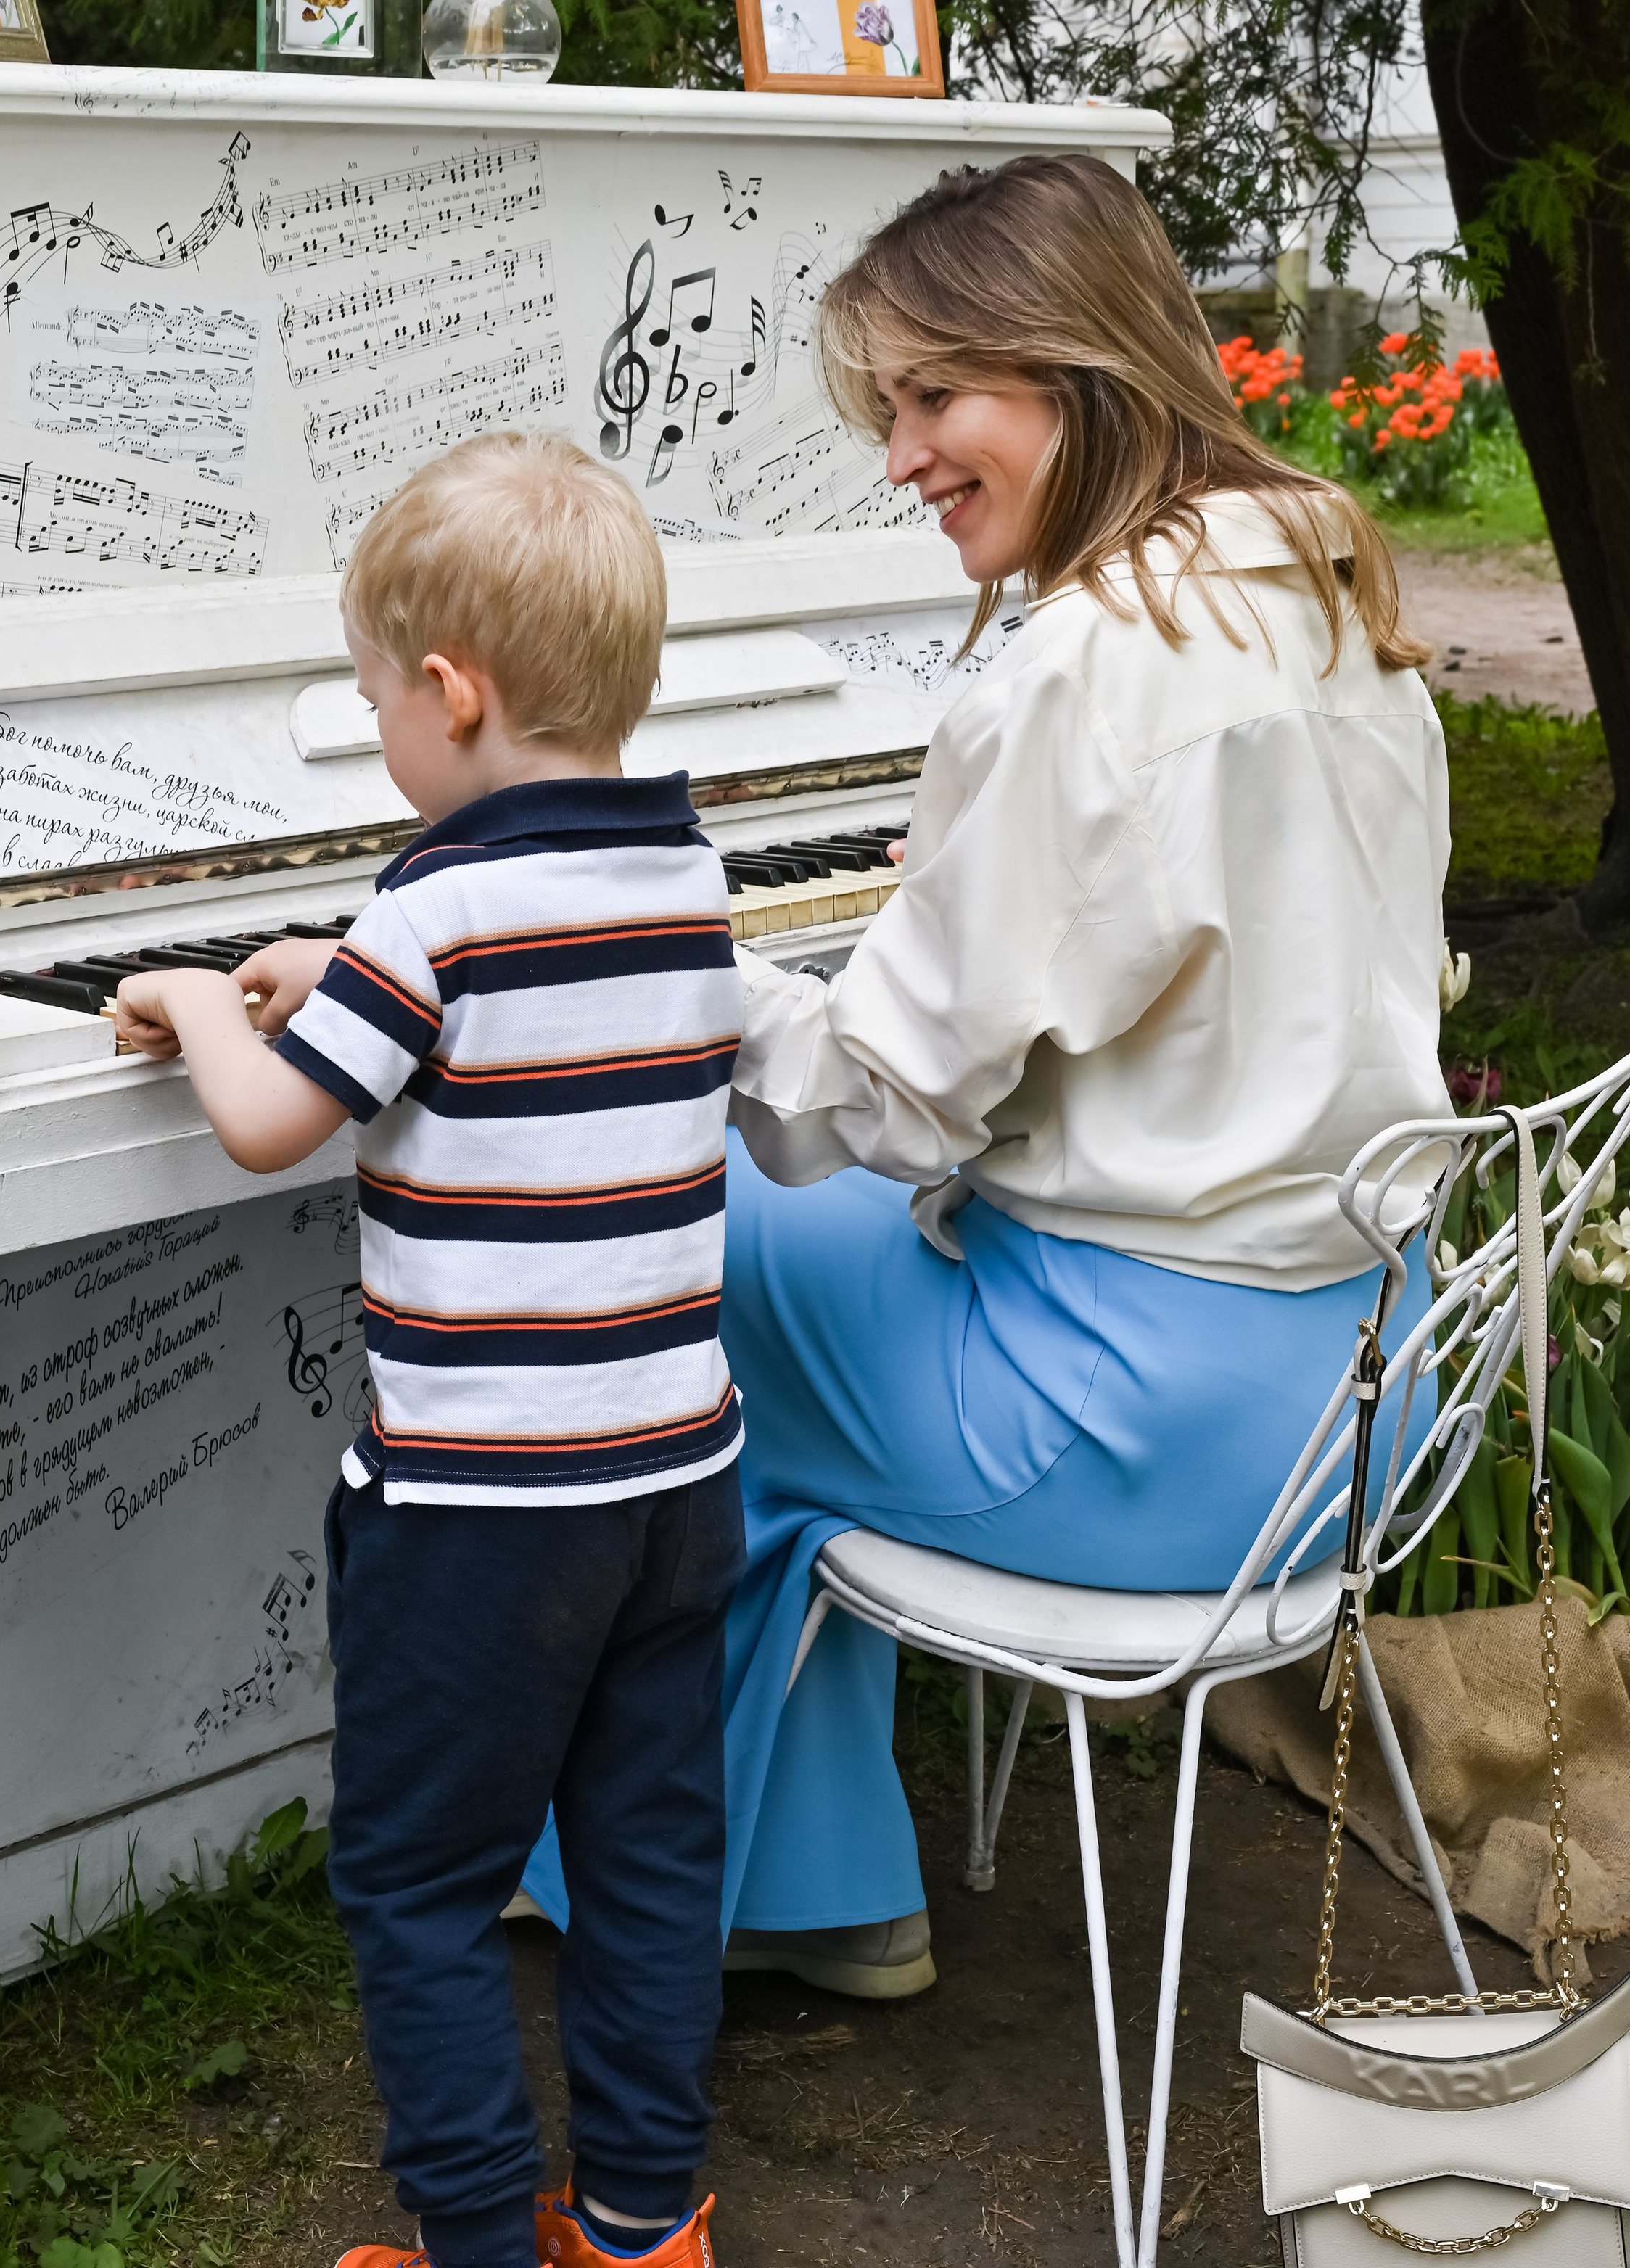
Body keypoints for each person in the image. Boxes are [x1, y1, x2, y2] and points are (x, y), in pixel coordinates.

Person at [521, 152, 1449, 2000]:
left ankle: (689, 1881)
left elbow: (880, 1098)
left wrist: (645, 960)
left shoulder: (1087, 664)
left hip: (1142, 1434)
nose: (899, 457)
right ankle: (807, 1884)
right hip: (1362, 1393)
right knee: (792, 1293)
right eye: (889, 409)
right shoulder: (1325, 582)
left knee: (673, 1237)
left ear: (1071, 366)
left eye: (934, 398)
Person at [114, 432, 743, 2268]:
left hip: (480, 1512)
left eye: (377, 696)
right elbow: (506, 1029)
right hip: (673, 1487)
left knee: (416, 1879)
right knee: (644, 1863)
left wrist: (193, 999)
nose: (381, 726)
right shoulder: (684, 876)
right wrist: (349, 973)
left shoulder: (433, 910)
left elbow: (265, 1125)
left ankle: (472, 2242)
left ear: (451, 693)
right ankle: (639, 2228)